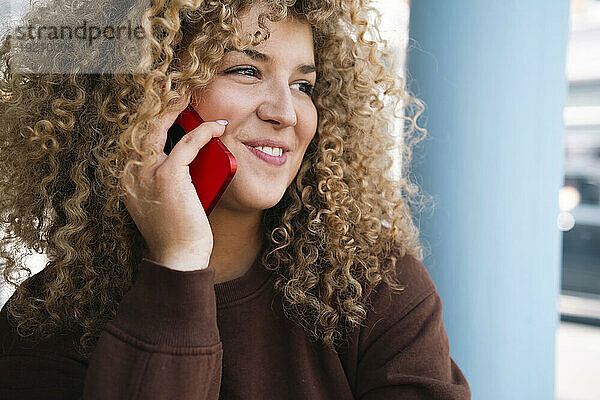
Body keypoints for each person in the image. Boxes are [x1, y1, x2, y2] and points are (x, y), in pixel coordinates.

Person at [0, 0, 471, 398]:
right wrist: (179, 264)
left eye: (303, 86)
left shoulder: (375, 288)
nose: (286, 113)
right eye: (245, 71)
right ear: (146, 95)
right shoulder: (43, 322)